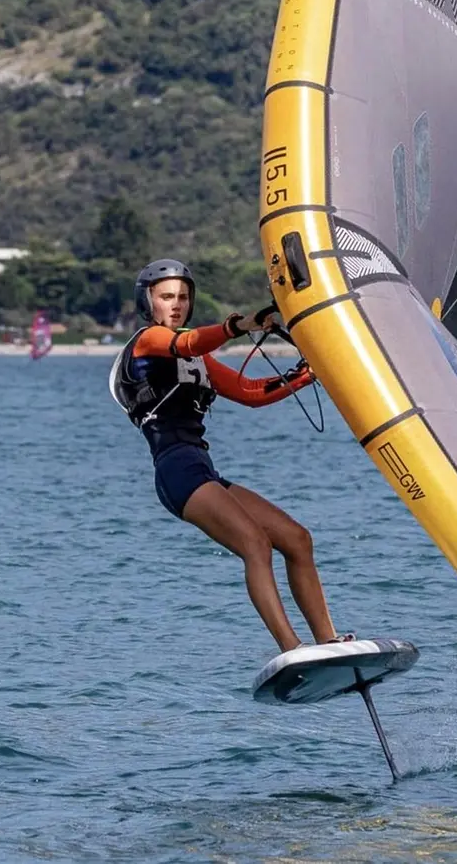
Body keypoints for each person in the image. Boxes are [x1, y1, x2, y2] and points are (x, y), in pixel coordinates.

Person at [110, 258, 352, 653]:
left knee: (297, 539)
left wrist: (307, 374)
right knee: (254, 544)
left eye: (183, 297)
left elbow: (249, 392)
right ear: (148, 301)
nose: (176, 304)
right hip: (176, 471)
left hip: (204, 470)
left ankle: (328, 641)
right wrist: (238, 326)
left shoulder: (197, 358)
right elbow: (186, 343)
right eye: (166, 297)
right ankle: (292, 649)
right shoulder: (148, 340)